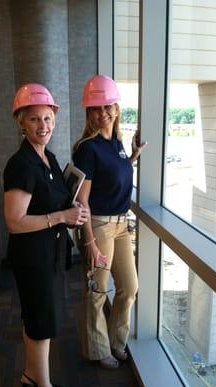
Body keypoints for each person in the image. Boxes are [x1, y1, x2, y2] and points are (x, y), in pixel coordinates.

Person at [3, 83, 89, 387]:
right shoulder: (21, 164)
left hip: (49, 254)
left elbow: (55, 200)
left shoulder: (48, 158)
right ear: (21, 123)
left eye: (48, 119)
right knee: (41, 321)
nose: (44, 126)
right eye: (35, 119)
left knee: (39, 317)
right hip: (33, 257)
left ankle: (31, 375)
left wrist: (73, 208)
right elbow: (14, 221)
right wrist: (61, 218)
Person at [72, 75, 147, 369]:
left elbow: (116, 174)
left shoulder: (115, 143)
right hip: (100, 225)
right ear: (88, 113)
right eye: (95, 109)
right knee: (98, 290)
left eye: (107, 107)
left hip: (120, 225)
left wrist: (133, 156)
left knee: (130, 287)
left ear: (116, 109)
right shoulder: (87, 148)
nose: (101, 114)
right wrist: (88, 241)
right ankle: (97, 349)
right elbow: (82, 201)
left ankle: (116, 341)